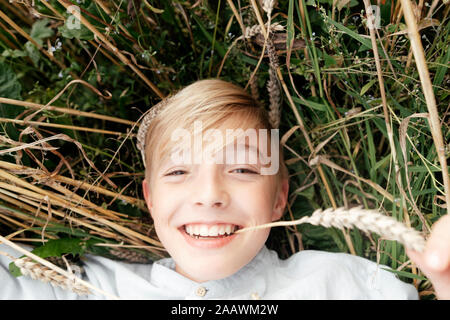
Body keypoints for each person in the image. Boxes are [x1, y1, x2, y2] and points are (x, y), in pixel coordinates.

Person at [0, 79, 448, 300]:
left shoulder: (345, 287)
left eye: (243, 169)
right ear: (150, 199)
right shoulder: (84, 288)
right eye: (178, 172)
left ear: (279, 197)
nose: (210, 194)